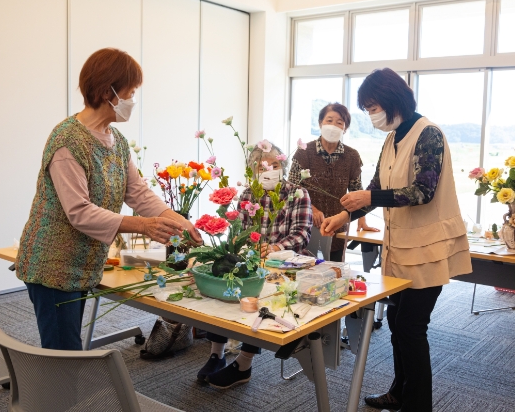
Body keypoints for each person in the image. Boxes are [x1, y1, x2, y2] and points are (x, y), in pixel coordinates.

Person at [15, 48, 202, 351]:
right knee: (63, 355)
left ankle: (59, 396)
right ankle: (52, 399)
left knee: (67, 350)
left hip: (82, 262)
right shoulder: (67, 142)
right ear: (107, 93)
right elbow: (80, 212)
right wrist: (143, 226)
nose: (133, 101)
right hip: (53, 265)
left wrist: (180, 223)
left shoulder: (117, 141)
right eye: (130, 93)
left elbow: (137, 192)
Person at [321, 68, 472, 412]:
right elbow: (375, 190)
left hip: (428, 247)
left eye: (373, 107)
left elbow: (423, 191)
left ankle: (417, 405)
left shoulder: (428, 134)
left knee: (410, 327)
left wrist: (367, 198)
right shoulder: (392, 139)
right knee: (395, 321)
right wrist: (345, 215)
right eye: (368, 109)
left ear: (393, 100)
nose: (371, 115)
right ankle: (399, 391)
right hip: (401, 247)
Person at [198, 141, 313, 389]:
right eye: (263, 166)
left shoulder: (297, 193)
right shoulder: (249, 194)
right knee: (224, 286)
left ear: (283, 165)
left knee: (260, 302)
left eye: (275, 164)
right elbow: (237, 230)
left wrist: (275, 247)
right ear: (253, 169)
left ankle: (244, 363)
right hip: (252, 261)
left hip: (284, 266)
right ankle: (216, 353)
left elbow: (302, 234)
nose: (270, 169)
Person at [289, 103, 378, 261]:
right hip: (305, 226)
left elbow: (357, 192)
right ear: (320, 123)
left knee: (334, 274)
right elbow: (292, 188)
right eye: (329, 120)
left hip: (337, 228)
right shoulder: (304, 152)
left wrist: (362, 220)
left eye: (339, 122)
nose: (333, 126)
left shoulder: (352, 156)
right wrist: (313, 209)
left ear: (345, 128)